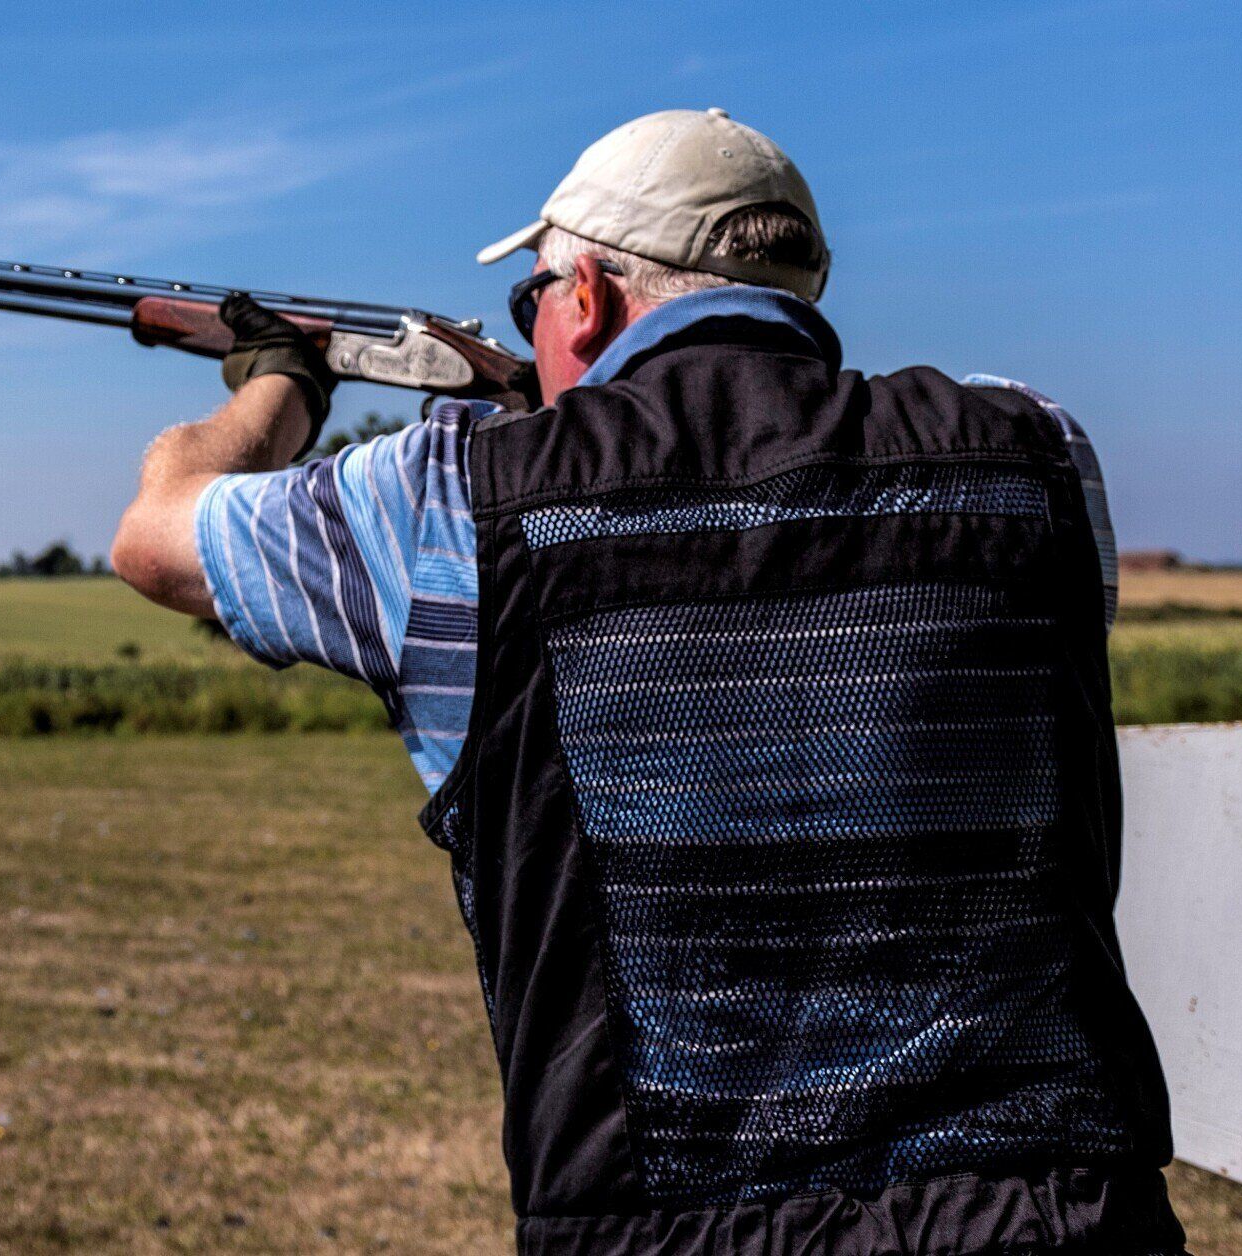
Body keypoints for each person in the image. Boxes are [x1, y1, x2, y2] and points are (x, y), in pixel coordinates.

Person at [111, 108, 1184, 1256]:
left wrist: (279, 383)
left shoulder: (450, 498)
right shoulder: (1039, 452)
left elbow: (157, 534)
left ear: (585, 297)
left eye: (531, 300)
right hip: (1065, 1216)